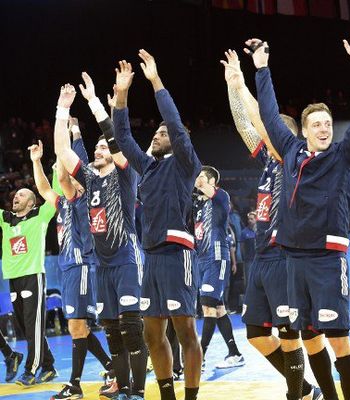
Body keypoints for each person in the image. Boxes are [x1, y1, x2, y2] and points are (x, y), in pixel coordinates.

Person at [247, 29, 350, 400]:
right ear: (304, 131)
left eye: (327, 123)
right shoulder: (289, 151)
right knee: (308, 335)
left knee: (338, 338)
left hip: (325, 259)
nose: (323, 128)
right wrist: (261, 68)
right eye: (315, 124)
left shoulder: (344, 155)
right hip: (292, 259)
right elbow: (270, 115)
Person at [221, 49, 325, 400]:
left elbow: (260, 122)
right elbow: (243, 124)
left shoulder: (290, 155)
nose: (264, 130)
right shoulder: (268, 157)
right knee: (255, 334)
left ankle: (297, 394)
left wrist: (244, 86)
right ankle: (304, 387)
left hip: (284, 256)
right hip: (261, 257)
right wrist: (233, 86)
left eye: (272, 126)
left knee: (289, 333)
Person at [111, 50, 203, 400]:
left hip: (177, 253)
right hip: (150, 258)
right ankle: (167, 395)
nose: (159, 134)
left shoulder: (184, 162)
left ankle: (190, 396)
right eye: (159, 131)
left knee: (186, 332)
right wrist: (121, 95)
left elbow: (176, 125)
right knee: (152, 335)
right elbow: (122, 136)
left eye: (163, 132)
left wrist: (155, 81)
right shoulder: (147, 167)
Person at [54, 78, 147, 400]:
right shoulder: (89, 179)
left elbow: (118, 140)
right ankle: (122, 389)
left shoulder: (125, 174)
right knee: (111, 331)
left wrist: (95, 103)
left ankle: (137, 390)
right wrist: (62, 109)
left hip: (125, 259)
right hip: (101, 264)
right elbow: (62, 150)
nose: (98, 149)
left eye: (103, 147)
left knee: (132, 328)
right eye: (96, 147)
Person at [28, 133, 114, 399]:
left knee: (78, 326)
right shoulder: (64, 202)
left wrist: (61, 153)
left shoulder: (81, 199)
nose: (66, 180)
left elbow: (63, 179)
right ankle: (111, 367)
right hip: (68, 268)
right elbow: (43, 189)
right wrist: (37, 162)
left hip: (81, 265)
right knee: (78, 328)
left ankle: (75, 384)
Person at [0, 150, 58, 387]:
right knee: (26, 328)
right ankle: (49, 365)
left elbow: (55, 194)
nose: (16, 196)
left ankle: (30, 370)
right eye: (15, 194)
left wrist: (50, 168)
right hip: (13, 278)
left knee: (34, 327)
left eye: (22, 194)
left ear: (32, 201)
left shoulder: (41, 215)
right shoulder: (6, 219)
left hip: (33, 276)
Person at [193, 166, 245, 371]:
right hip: (201, 258)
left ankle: (199, 356)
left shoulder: (221, 196)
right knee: (218, 308)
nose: (198, 180)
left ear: (212, 181)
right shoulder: (196, 204)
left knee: (207, 306)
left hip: (216, 256)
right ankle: (235, 353)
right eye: (197, 177)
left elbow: (208, 190)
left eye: (203, 178)